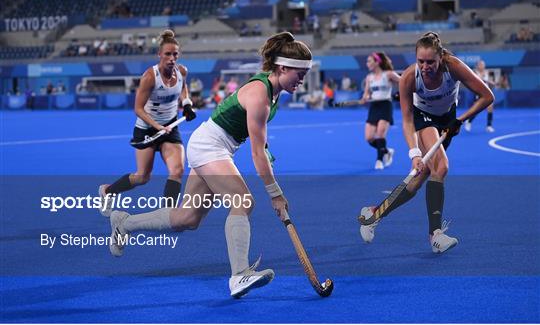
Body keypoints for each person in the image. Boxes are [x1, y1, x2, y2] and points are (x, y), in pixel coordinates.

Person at [106, 32, 313, 298]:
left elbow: (259, 140)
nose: (302, 80)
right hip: (210, 146)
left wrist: (267, 152)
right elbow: (256, 153)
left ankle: (124, 223)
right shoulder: (260, 93)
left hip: (214, 146)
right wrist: (276, 194)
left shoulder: (273, 94)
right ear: (283, 67)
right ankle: (239, 275)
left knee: (187, 219)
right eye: (299, 73)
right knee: (243, 201)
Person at [360, 32, 494, 253]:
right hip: (422, 118)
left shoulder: (454, 67)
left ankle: (374, 214)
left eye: (430, 61)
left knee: (421, 177)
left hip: (448, 120)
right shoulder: (409, 78)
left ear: (441, 57)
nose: (425, 66)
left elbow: (487, 96)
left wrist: (460, 120)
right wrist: (414, 153)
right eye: (420, 61)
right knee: (441, 167)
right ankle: (436, 236)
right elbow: (406, 120)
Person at [98, 29, 196, 217]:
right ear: (159, 54)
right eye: (167, 54)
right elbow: (138, 109)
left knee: (177, 170)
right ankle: (107, 191)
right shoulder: (150, 77)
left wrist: (187, 104)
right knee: (142, 177)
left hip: (170, 126)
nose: (171, 58)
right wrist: (158, 127)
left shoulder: (182, 71)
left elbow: (183, 89)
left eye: (175, 54)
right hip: (147, 129)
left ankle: (167, 215)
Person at [360, 52, 400, 170]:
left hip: (385, 106)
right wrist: (365, 98)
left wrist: (399, 93)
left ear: (377, 62)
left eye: (369, 61)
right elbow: (366, 93)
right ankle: (387, 151)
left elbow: (404, 81)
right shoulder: (369, 77)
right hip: (374, 107)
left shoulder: (388, 74)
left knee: (380, 134)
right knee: (369, 137)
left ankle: (379, 160)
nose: (367, 64)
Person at [464, 59, 496, 132]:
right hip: (478, 93)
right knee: (477, 110)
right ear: (477, 66)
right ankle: (469, 121)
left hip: (487, 92)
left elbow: (492, 82)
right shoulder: (474, 72)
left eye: (483, 64)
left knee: (490, 107)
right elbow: (474, 80)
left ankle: (489, 126)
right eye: (480, 64)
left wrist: (491, 82)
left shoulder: (488, 73)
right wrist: (483, 78)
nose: (482, 66)